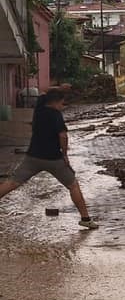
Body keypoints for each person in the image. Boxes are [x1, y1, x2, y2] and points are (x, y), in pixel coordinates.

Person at [0, 88, 99, 229]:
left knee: (12, 182)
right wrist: (65, 154)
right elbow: (63, 136)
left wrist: (52, 92)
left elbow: (42, 96)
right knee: (73, 185)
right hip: (54, 159)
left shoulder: (39, 110)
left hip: (32, 157)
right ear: (56, 102)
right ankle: (85, 219)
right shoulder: (55, 115)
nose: (63, 106)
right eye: (62, 103)